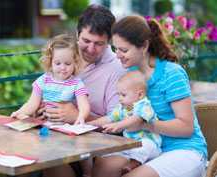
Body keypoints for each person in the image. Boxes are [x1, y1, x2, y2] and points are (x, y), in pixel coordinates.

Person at [92, 15, 207, 177]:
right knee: (102, 169)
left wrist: (145, 125)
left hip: (184, 150)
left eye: (123, 50)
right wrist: (83, 125)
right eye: (115, 49)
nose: (117, 55)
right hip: (148, 146)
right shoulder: (132, 75)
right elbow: (118, 113)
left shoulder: (171, 73)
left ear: (144, 46)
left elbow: (186, 128)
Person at [41, 4, 125, 177]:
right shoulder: (65, 57)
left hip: (95, 146)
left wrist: (78, 116)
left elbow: (118, 124)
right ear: (77, 34)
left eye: (99, 44)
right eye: (86, 41)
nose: (91, 49)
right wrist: (43, 108)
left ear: (108, 41)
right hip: (57, 134)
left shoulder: (117, 69)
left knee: (47, 158)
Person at [89, 70, 161, 175]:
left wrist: (119, 125)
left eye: (123, 95)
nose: (120, 99)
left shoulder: (144, 105)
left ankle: (134, 163)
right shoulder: (122, 108)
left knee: (145, 146)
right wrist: (91, 124)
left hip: (149, 144)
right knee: (113, 149)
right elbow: (109, 118)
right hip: (129, 144)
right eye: (118, 95)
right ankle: (129, 159)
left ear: (140, 95)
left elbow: (136, 119)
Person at [11, 34, 90, 125]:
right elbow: (32, 103)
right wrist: (20, 112)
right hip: (45, 125)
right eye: (57, 63)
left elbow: (84, 105)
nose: (62, 67)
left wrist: (81, 116)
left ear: (75, 63)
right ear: (50, 62)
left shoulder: (76, 83)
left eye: (68, 63)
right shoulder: (43, 80)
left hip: (66, 127)